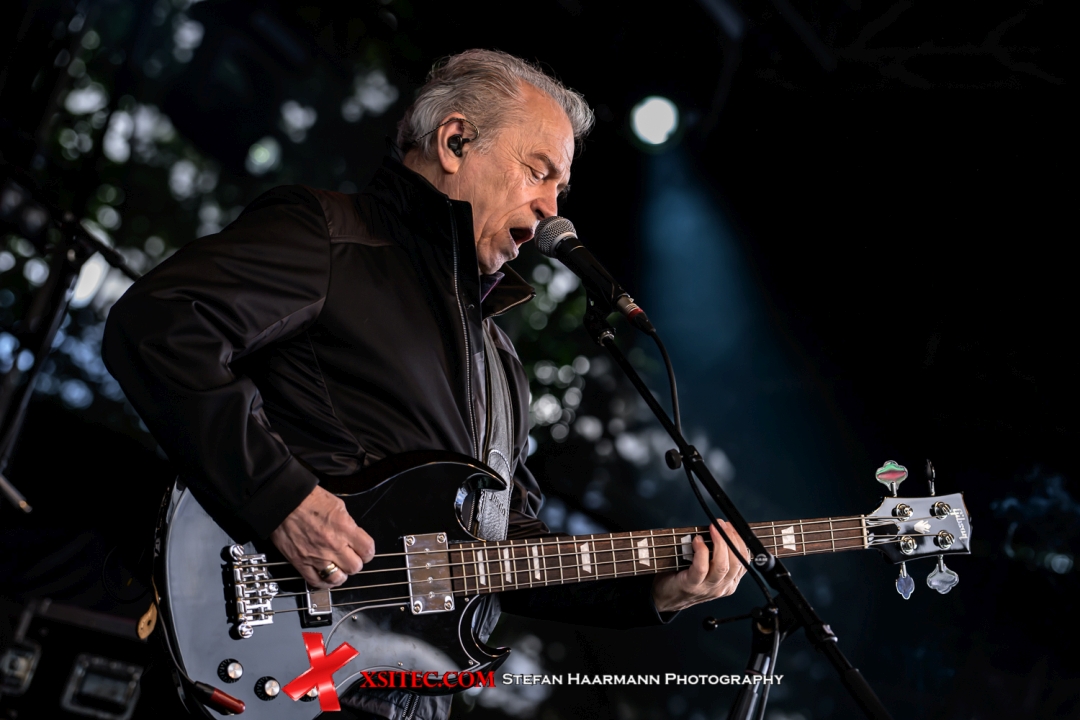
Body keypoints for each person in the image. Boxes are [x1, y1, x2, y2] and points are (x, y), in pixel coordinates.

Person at [102, 49, 747, 719]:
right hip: (269, 658)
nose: (552, 210)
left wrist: (655, 591)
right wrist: (280, 496)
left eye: (560, 188)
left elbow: (503, 552)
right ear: (455, 142)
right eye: (539, 172)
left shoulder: (501, 363)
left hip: (398, 698)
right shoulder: (334, 238)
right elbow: (159, 326)